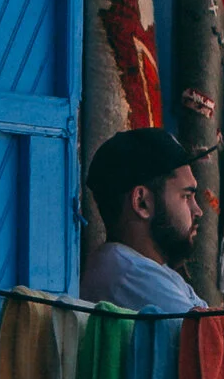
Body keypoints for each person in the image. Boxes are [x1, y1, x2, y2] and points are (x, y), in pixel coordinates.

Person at [80, 129, 206, 312]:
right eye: (186, 196)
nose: (198, 211)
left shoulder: (152, 270)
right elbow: (206, 329)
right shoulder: (128, 273)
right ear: (142, 202)